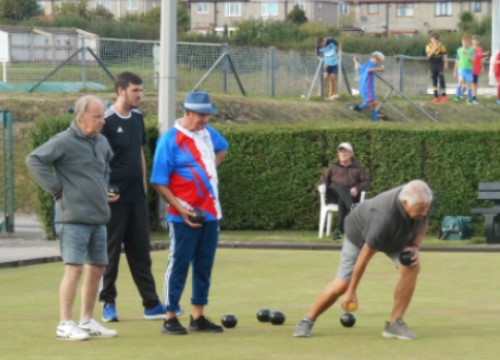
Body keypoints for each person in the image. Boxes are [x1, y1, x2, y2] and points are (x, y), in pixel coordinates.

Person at [26, 95, 118, 341]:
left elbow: (104, 171)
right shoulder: (64, 141)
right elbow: (34, 160)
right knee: (74, 269)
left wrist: (105, 190)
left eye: (103, 117)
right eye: (97, 117)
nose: (102, 121)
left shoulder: (102, 143)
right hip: (72, 217)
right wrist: (56, 189)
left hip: (99, 217)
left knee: (97, 268)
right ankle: (65, 324)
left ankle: (86, 321)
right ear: (81, 117)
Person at [293, 180, 433, 340]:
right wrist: (351, 290)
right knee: (342, 284)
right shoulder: (382, 217)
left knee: (412, 267)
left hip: (396, 237)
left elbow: (423, 221)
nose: (424, 212)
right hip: (359, 234)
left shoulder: (425, 200)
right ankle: (307, 320)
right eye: (420, 210)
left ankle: (395, 323)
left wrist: (414, 245)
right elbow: (365, 255)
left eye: (426, 209)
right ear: (404, 202)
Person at [151, 91, 229, 335]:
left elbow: (223, 148)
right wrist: (179, 208)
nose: (206, 119)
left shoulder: (208, 134)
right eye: (201, 115)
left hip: (210, 212)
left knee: (204, 265)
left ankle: (198, 317)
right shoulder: (170, 140)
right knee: (179, 264)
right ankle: (170, 316)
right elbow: (158, 181)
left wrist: (208, 170)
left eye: (208, 114)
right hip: (183, 215)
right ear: (186, 112)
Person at [98, 72, 172, 322]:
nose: (140, 95)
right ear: (121, 91)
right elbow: (97, 159)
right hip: (113, 199)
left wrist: (143, 186)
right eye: (135, 91)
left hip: (136, 197)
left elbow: (139, 153)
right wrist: (103, 189)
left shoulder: (138, 117)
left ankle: (151, 304)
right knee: (110, 253)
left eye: (141, 91)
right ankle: (108, 302)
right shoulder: (106, 120)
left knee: (141, 252)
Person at [318, 142, 370, 240]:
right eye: (341, 151)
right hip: (333, 196)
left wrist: (357, 188)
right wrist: (322, 187)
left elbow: (366, 182)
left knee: (343, 199)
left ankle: (339, 230)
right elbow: (322, 181)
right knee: (339, 186)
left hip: (351, 196)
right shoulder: (332, 168)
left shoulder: (358, 169)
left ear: (351, 154)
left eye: (345, 151)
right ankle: (352, 207)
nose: (343, 153)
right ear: (338, 154)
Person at [350, 52, 385, 121]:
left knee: (373, 105)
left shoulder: (366, 64)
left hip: (363, 86)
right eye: (379, 61)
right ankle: (356, 108)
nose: (378, 63)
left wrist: (355, 61)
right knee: (373, 102)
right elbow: (369, 70)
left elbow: (358, 69)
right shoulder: (372, 64)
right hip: (367, 87)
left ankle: (375, 121)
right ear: (377, 59)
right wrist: (380, 69)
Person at [425, 32, 448, 103]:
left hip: (440, 64)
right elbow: (428, 55)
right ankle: (435, 97)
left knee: (441, 80)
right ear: (431, 39)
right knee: (434, 80)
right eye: (433, 39)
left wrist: (446, 64)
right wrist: (434, 48)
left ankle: (444, 96)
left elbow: (445, 56)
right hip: (432, 64)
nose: (435, 41)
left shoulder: (441, 46)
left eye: (436, 39)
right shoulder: (428, 46)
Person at [316, 36, 341, 100]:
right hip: (325, 64)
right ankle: (320, 92)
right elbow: (318, 56)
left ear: (324, 41)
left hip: (334, 63)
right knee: (324, 77)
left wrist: (339, 53)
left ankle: (331, 93)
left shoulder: (331, 40)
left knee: (332, 78)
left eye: (322, 44)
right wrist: (323, 62)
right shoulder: (318, 46)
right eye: (320, 45)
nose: (322, 46)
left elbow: (339, 44)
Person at [453, 34, 475, 105]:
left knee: (469, 84)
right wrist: (455, 70)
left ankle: (469, 99)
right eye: (463, 42)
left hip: (468, 69)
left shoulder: (471, 50)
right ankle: (458, 96)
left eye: (466, 42)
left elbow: (473, 59)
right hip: (461, 68)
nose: (464, 44)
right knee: (460, 80)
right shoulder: (459, 50)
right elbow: (457, 60)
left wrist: (467, 53)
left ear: (469, 42)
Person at [471, 35, 489, 105]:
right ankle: (472, 97)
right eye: (474, 40)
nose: (475, 42)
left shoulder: (480, 49)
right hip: (471, 68)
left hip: (477, 69)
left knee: (475, 83)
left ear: (478, 42)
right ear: (472, 41)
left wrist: (482, 67)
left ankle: (474, 97)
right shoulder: (470, 49)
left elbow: (480, 58)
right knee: (472, 83)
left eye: (476, 41)